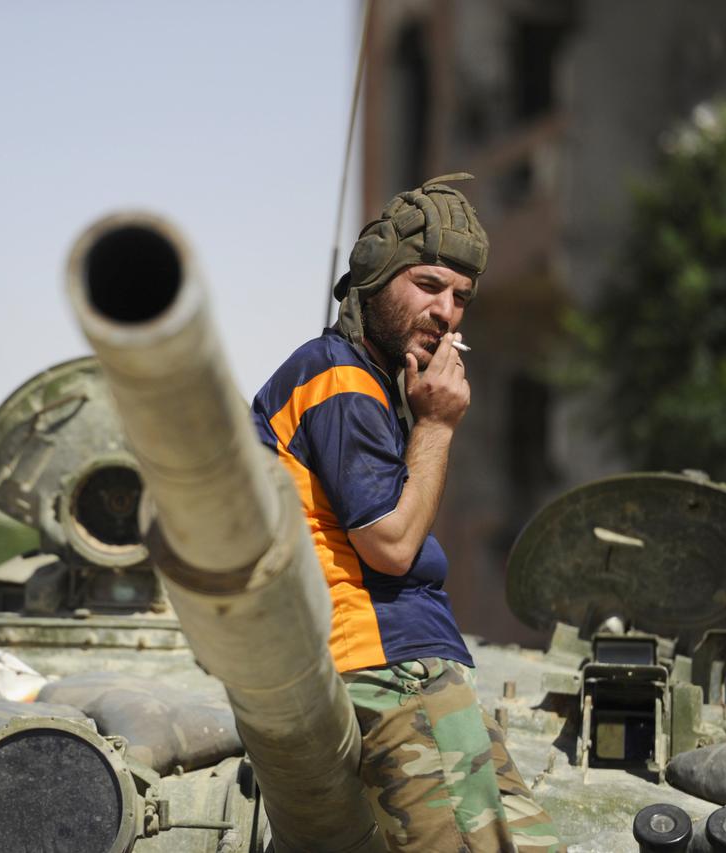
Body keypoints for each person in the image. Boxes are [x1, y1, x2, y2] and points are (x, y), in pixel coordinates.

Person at [251, 175, 564, 852]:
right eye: (428, 285)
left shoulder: (368, 386)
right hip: (385, 668)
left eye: (461, 297)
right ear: (373, 277)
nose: (447, 311)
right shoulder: (338, 378)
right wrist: (439, 426)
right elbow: (390, 546)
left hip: (411, 669)